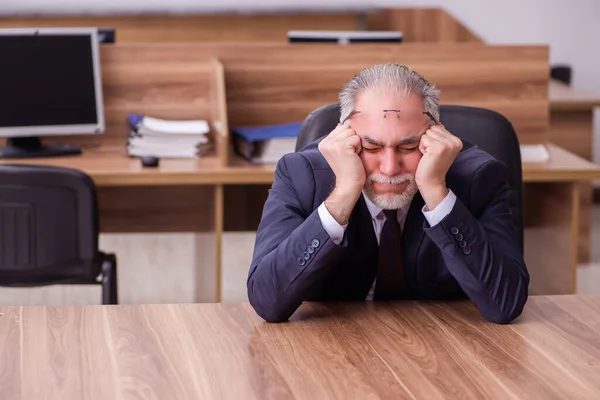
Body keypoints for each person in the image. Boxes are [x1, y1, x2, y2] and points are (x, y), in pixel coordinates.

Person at [247, 63, 529, 324]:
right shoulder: (299, 174)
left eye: (408, 147)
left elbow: (505, 305)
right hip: (333, 346)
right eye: (371, 148)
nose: (390, 167)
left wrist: (436, 192)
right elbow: (266, 300)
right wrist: (343, 193)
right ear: (344, 137)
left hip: (445, 341)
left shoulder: (480, 178)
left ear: (435, 137)